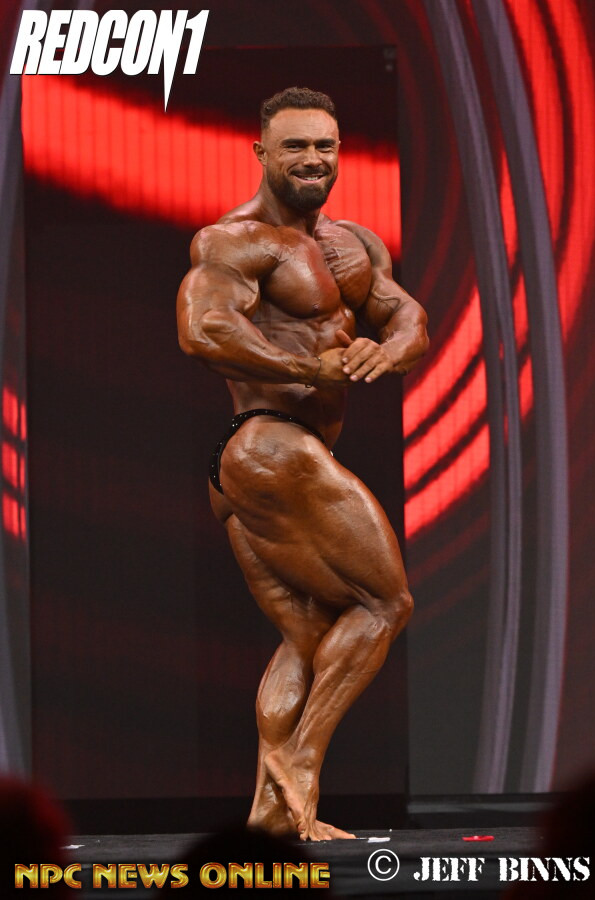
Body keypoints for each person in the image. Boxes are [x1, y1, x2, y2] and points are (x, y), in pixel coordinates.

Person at [177, 87, 428, 841]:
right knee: (385, 604)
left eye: (324, 145)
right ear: (262, 154)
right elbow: (203, 329)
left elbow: (407, 317)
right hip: (271, 445)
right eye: (294, 146)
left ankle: (270, 816)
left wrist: (387, 350)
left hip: (261, 463)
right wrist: (309, 369)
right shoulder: (234, 241)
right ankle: (301, 763)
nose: (312, 159)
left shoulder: (356, 245)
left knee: (310, 634)